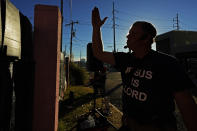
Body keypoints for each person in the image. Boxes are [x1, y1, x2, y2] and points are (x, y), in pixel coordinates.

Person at [91, 7, 197, 131]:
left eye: (133, 34)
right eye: (129, 33)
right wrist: (96, 28)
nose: (128, 36)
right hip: (128, 126)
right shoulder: (125, 59)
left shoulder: (168, 63)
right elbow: (98, 53)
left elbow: (186, 105)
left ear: (146, 38)